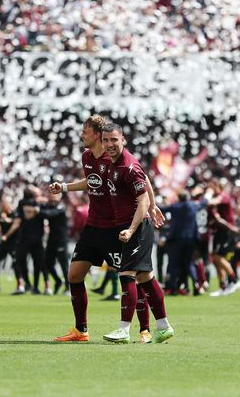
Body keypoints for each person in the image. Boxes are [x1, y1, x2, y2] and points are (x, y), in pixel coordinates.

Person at [50, 115, 161, 344]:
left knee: (133, 276)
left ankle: (145, 329)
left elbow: (142, 177)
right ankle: (81, 330)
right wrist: (64, 187)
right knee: (75, 274)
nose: (82, 134)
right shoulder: (87, 156)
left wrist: (152, 204)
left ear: (97, 135)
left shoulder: (115, 159)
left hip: (115, 228)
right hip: (93, 226)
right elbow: (92, 181)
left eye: (85, 131)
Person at [100, 123, 174, 344]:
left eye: (114, 139)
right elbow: (146, 182)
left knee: (127, 275)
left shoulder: (127, 166)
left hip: (136, 226)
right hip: (131, 224)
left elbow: (140, 200)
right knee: (145, 277)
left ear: (123, 139)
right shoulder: (116, 163)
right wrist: (153, 204)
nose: (110, 144)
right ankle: (163, 327)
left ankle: (123, 329)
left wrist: (132, 227)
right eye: (106, 140)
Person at [1, 186, 46, 295]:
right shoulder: (41, 204)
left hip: (24, 238)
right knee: (37, 264)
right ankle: (35, 287)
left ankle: (21, 285)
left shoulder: (22, 203)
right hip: (37, 238)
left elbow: (17, 221)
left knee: (17, 262)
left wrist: (6, 235)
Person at [39, 192, 68, 295]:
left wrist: (38, 209)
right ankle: (58, 280)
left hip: (61, 240)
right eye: (51, 196)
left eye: (54, 195)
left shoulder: (61, 207)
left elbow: (49, 214)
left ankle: (68, 288)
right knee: (47, 263)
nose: (52, 198)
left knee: (63, 265)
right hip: (51, 239)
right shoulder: (48, 206)